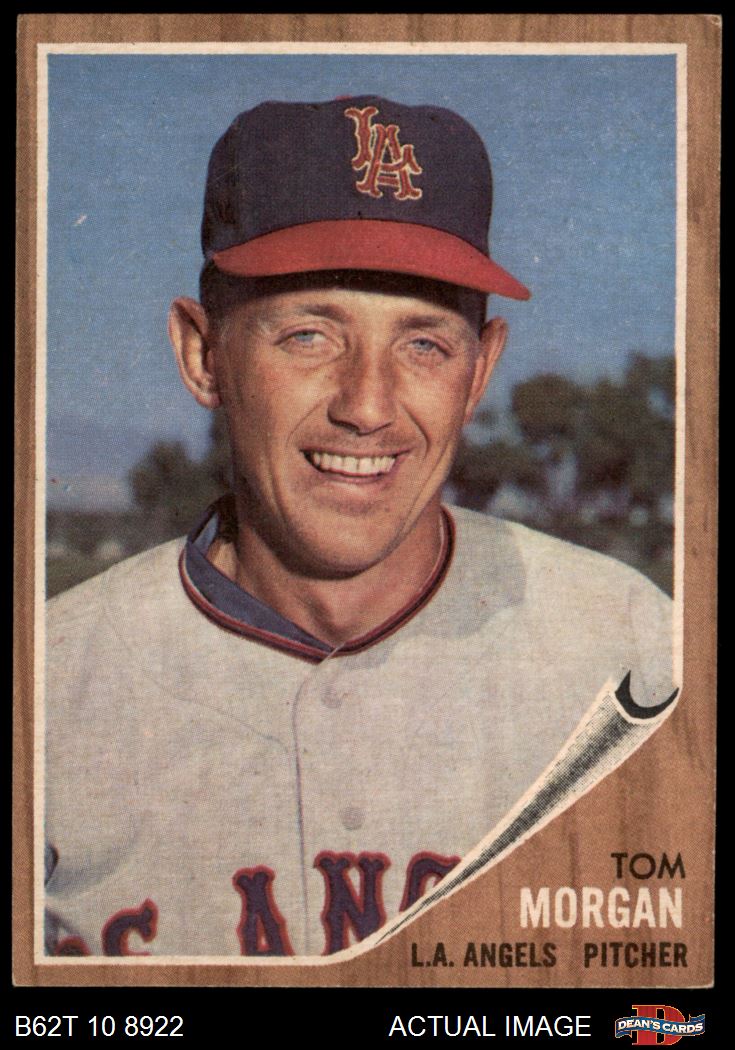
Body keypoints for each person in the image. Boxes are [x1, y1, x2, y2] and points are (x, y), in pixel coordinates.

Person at [44, 96, 674, 958]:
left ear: (478, 371)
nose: (367, 406)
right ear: (202, 354)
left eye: (424, 345)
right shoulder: (49, 689)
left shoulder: (629, 649)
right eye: (309, 335)